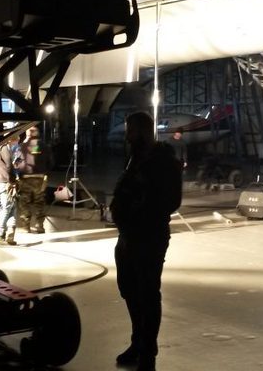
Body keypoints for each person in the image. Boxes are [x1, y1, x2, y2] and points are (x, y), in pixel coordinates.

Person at [110, 111, 182, 371]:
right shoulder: (137, 158)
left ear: (140, 131)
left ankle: (147, 352)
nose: (127, 136)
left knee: (148, 293)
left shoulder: (162, 160)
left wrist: (142, 205)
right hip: (129, 234)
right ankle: (138, 342)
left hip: (149, 236)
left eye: (130, 130)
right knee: (129, 289)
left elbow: (171, 200)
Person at [15, 125, 49, 233]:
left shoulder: (21, 146)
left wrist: (18, 174)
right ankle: (39, 226)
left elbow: (17, 163)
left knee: (24, 203)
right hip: (40, 179)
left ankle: (26, 227)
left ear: (27, 134)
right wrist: (45, 172)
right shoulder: (44, 146)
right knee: (40, 202)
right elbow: (51, 161)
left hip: (25, 179)